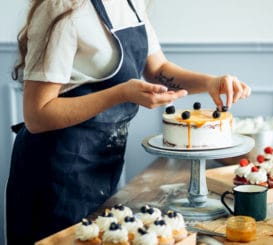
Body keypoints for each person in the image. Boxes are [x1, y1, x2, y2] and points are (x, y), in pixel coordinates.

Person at [6, 0, 251, 244]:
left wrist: (210, 82)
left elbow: (157, 69)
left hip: (101, 165)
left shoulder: (131, 2)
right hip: (54, 173)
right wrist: (120, 93)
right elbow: (37, 115)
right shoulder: (59, 7)